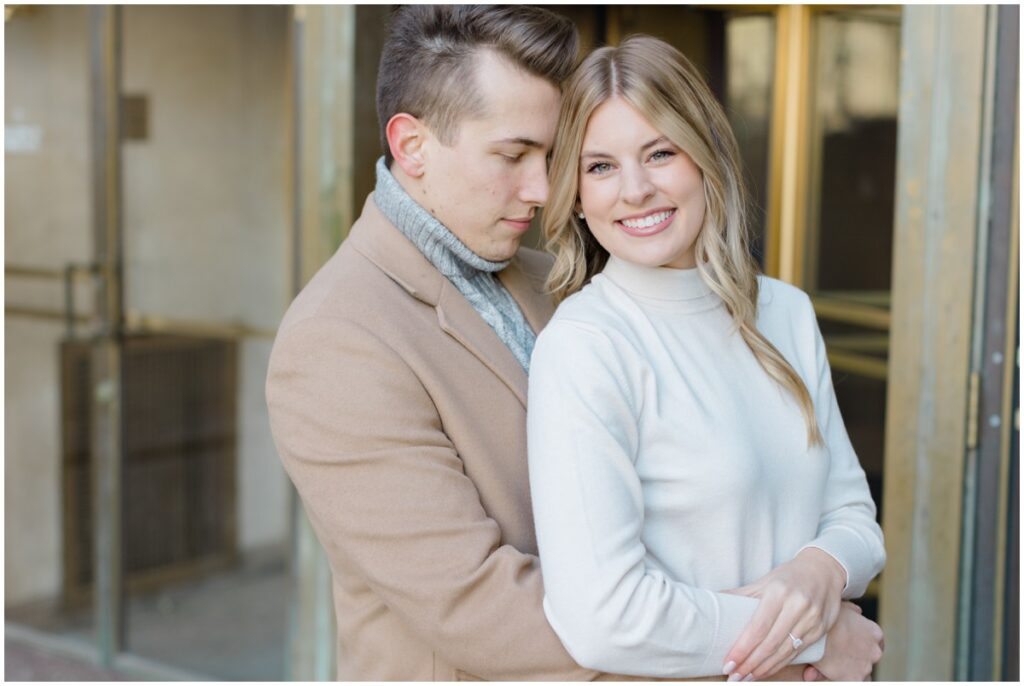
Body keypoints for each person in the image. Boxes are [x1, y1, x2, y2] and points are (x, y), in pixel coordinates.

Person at [266, 5, 610, 681]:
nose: (541, 190)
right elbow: (478, 612)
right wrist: (737, 649)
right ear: (412, 147)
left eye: (549, 155)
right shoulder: (333, 341)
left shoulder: (557, 280)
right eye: (513, 155)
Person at [528, 35, 887, 682]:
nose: (634, 189)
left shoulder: (785, 313)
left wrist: (818, 571)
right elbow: (603, 617)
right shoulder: (585, 346)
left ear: (706, 157)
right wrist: (816, 637)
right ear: (575, 194)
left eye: (659, 153)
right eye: (600, 166)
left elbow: (855, 519)